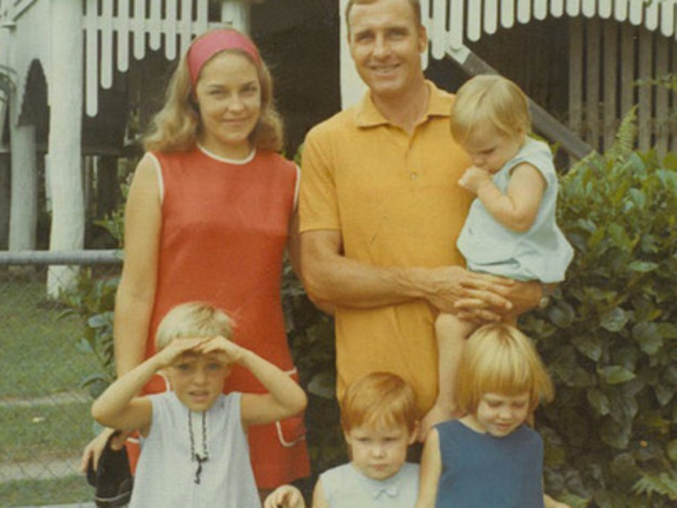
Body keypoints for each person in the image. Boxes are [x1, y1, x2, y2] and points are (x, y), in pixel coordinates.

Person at [299, 0, 544, 441]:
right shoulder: (325, 142)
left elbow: (534, 260)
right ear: (350, 47)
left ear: (422, 40)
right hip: (379, 419)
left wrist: (519, 291)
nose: (380, 51)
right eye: (364, 37)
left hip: (485, 409)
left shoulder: (478, 127)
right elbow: (319, 276)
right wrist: (429, 283)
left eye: (395, 34)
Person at [81, 27, 310, 493]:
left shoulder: (288, 177)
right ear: (192, 100)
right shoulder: (160, 169)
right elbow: (136, 290)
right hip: (177, 382)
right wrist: (127, 398)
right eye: (218, 93)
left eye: (249, 91)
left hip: (260, 379)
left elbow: (318, 276)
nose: (236, 106)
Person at [432, 74, 574, 433]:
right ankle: (518, 410)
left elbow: (520, 217)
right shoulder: (514, 154)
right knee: (500, 342)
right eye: (471, 152)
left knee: (450, 325)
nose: (479, 161)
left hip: (510, 269)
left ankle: (448, 405)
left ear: (519, 129)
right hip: (507, 268)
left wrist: (483, 187)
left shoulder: (527, 168)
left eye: (487, 151)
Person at [91, 302, 307, 508]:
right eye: (185, 367)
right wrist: (156, 361)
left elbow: (294, 402)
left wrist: (243, 356)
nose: (200, 380)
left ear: (227, 368)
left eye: (213, 367)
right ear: (166, 368)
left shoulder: (235, 409)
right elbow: (103, 412)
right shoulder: (154, 410)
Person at [415, 324, 570, 508]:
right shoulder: (443, 439)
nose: (506, 415)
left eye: (518, 404)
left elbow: (529, 496)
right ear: (472, 391)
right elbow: (426, 503)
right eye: (494, 404)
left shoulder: (531, 442)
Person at [264, 371, 420, 508]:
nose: (378, 453)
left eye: (389, 440)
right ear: (347, 434)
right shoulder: (331, 484)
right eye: (364, 440)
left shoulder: (424, 479)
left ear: (412, 433)